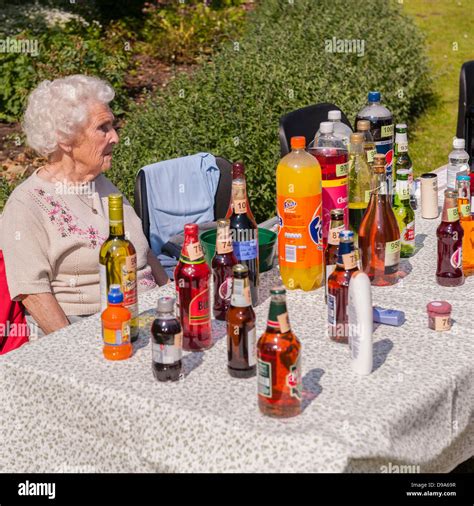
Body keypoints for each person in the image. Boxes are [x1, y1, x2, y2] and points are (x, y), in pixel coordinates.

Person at [0, 75, 169, 338]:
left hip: (147, 315)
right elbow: (33, 292)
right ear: (65, 139)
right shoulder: (26, 204)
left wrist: (171, 297)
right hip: (91, 328)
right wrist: (74, 349)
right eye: (103, 128)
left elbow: (144, 254)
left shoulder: (101, 183)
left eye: (113, 126)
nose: (115, 137)